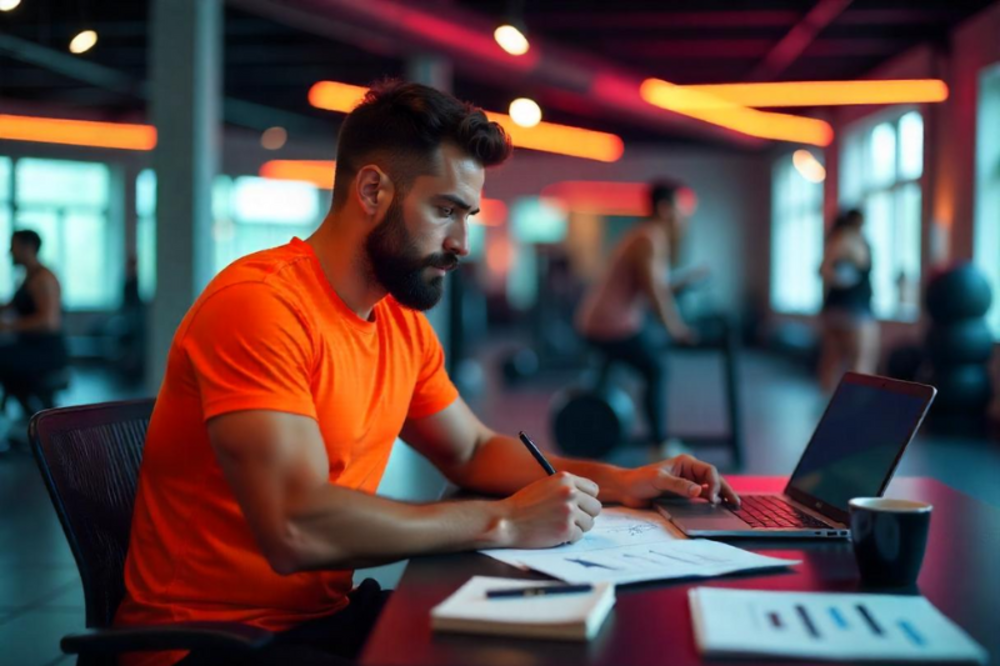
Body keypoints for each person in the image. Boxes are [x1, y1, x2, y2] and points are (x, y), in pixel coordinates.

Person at [114, 82, 739, 666]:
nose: (463, 243)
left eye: (467, 214)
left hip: (315, 617)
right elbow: (295, 528)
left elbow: (470, 450)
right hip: (208, 644)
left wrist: (619, 481)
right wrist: (506, 521)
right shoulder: (260, 306)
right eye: (446, 210)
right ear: (372, 192)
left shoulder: (397, 321)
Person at [574, 181, 704, 450]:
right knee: (655, 368)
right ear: (665, 208)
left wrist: (686, 282)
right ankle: (659, 445)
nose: (683, 216)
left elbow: (655, 285)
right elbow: (655, 292)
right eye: (680, 209)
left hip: (605, 321)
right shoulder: (649, 238)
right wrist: (676, 329)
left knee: (624, 370)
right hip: (609, 324)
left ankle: (594, 433)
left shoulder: (644, 236)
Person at [0, 230, 68, 413]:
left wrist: (8, 326)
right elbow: (11, 305)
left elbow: (49, 322)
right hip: (31, 348)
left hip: (46, 352)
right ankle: (28, 415)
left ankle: (33, 416)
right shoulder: (28, 278)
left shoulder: (43, 279)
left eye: (13, 247)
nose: (9, 252)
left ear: (27, 248)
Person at [818, 209, 879, 392]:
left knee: (831, 362)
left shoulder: (833, 241)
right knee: (862, 364)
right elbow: (859, 264)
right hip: (855, 310)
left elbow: (824, 272)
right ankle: (858, 408)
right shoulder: (853, 241)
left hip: (833, 309)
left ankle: (829, 407)